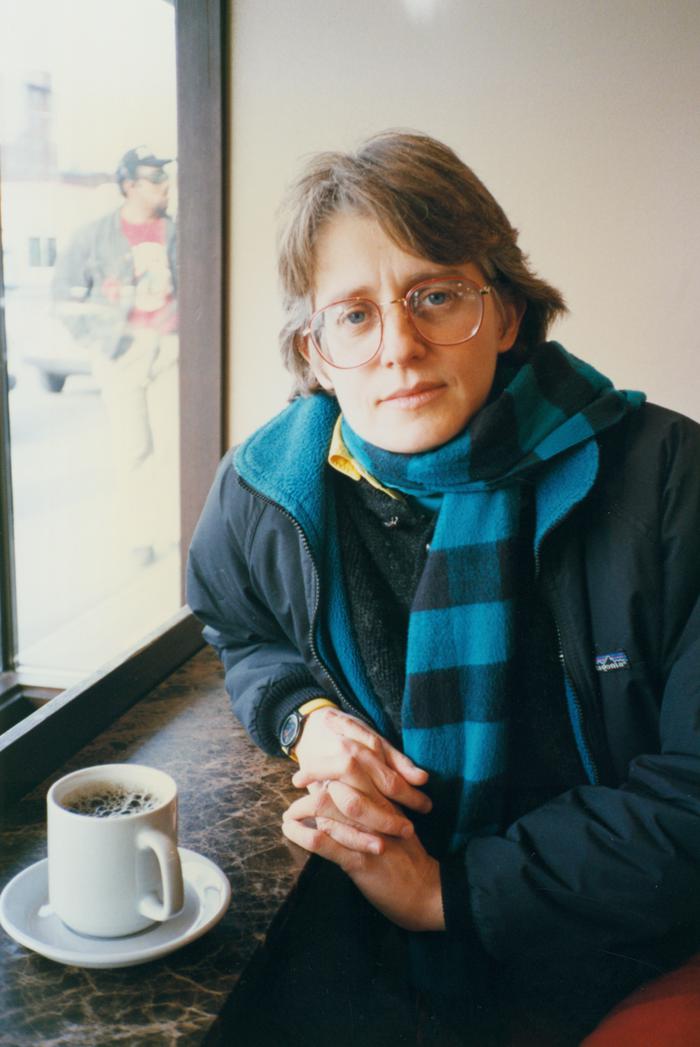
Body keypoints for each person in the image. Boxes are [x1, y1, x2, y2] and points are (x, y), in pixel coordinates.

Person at [187, 131, 700, 1045]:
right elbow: (238, 628)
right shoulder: (264, 488)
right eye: (354, 313)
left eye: (434, 296)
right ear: (315, 348)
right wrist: (303, 715)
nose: (399, 347)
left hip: (602, 946)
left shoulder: (669, 478)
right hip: (363, 954)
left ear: (504, 313)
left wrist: (444, 894)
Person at [52, 145, 179, 566]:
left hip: (170, 349)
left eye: (165, 176)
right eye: (155, 178)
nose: (165, 186)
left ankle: (179, 531)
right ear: (128, 185)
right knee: (133, 447)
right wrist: (99, 340)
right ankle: (140, 536)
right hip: (122, 352)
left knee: (174, 446)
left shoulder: (178, 231)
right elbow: (64, 294)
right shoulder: (95, 235)